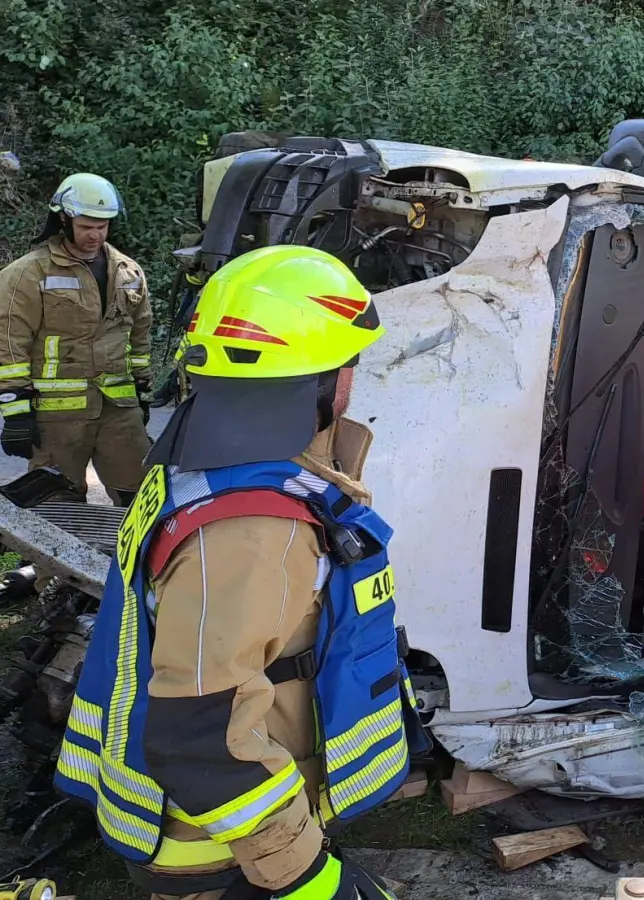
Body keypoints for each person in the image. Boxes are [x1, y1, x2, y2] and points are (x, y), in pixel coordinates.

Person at [54, 245, 420, 899]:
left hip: (223, 830)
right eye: (348, 361)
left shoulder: (196, 469)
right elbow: (203, 737)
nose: (354, 377)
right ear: (317, 379)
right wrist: (309, 880)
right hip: (220, 853)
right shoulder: (255, 531)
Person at [0, 173, 152, 505]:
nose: (95, 234)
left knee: (142, 498)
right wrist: (15, 409)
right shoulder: (28, 274)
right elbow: (9, 342)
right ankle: (52, 559)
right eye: (86, 226)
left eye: (103, 225)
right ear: (64, 220)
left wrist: (141, 389)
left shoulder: (128, 272)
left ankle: (132, 557)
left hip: (118, 410)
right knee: (55, 502)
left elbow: (139, 336)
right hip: (57, 417)